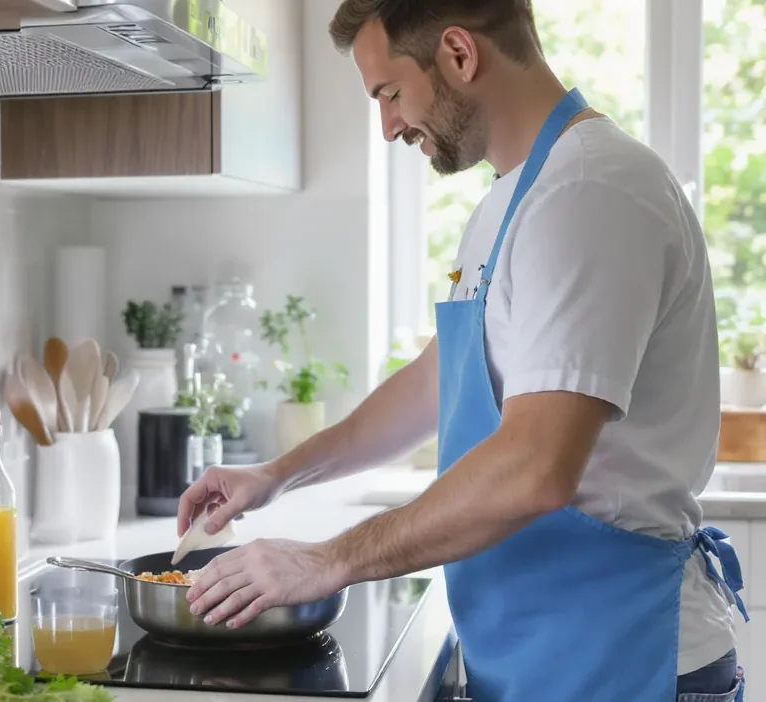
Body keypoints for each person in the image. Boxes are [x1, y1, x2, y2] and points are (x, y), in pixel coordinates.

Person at [178, 1, 750, 701]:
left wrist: (328, 561)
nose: (387, 126)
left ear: (458, 52)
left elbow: (536, 469)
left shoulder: (588, 193)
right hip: (543, 656)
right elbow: (435, 383)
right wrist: (277, 473)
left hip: (625, 660)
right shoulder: (512, 200)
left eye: (389, 93)